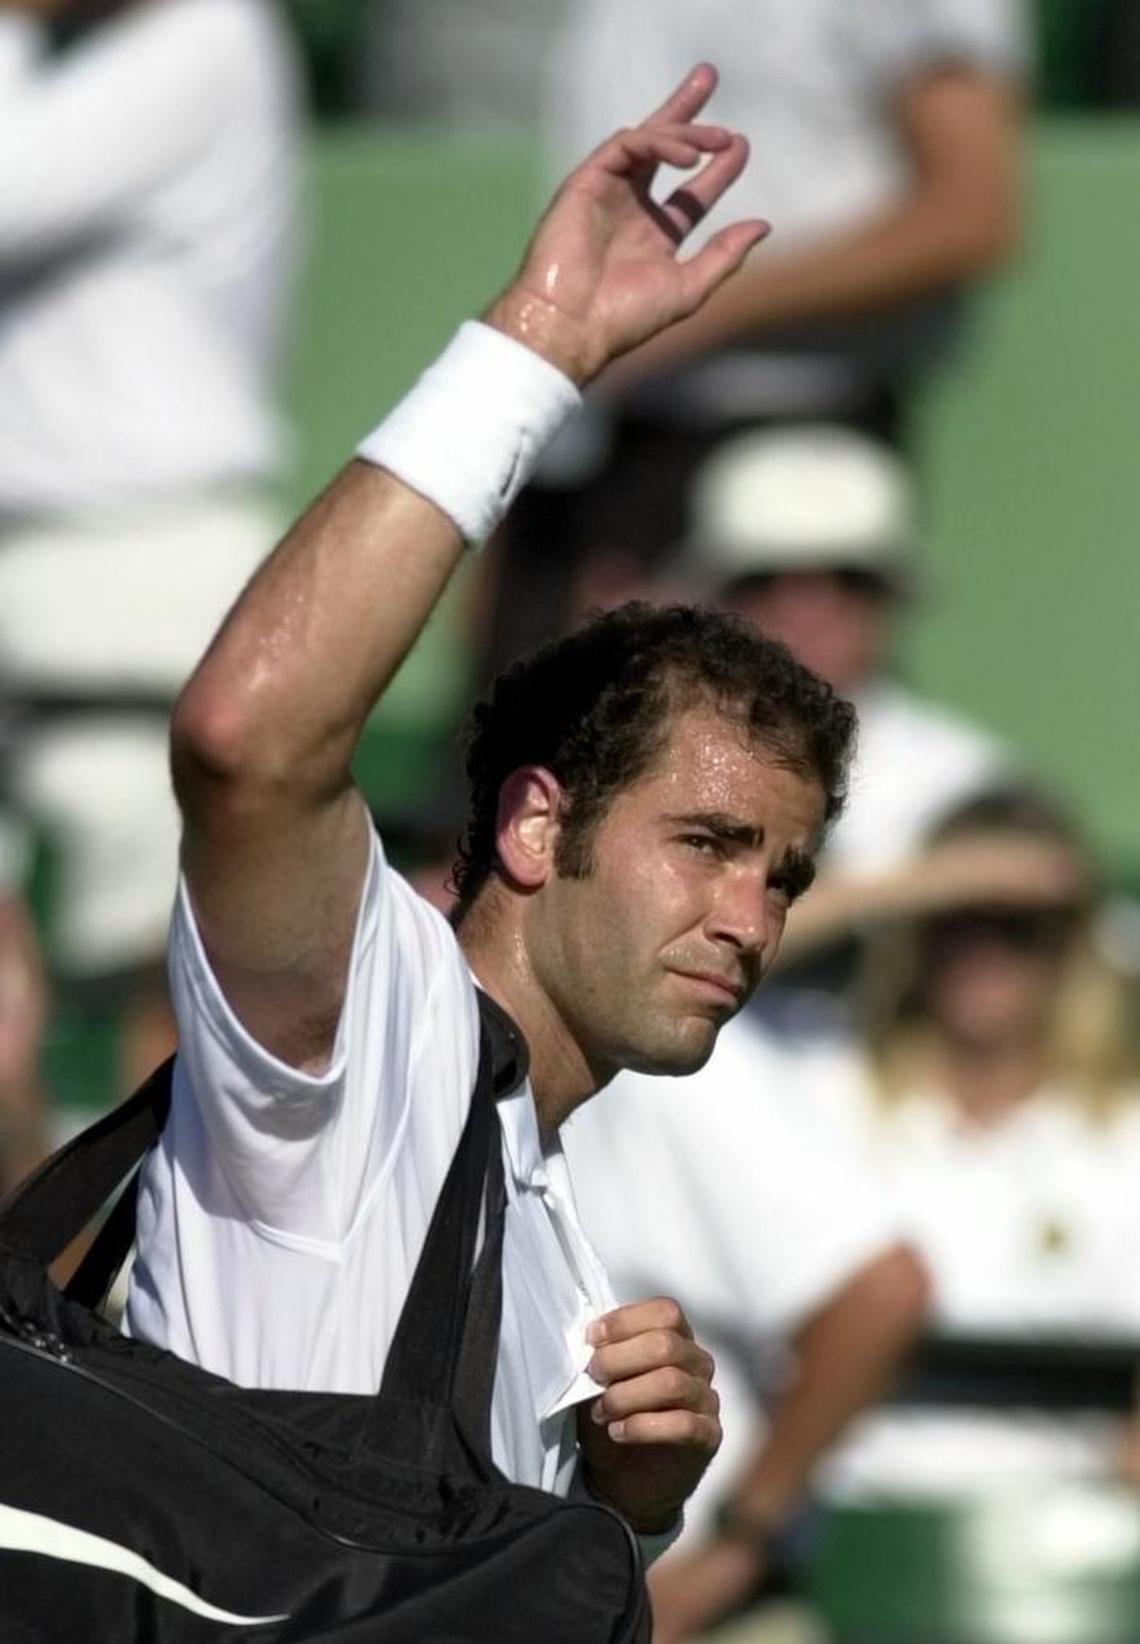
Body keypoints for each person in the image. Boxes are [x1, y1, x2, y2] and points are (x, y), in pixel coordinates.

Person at [123, 67, 858, 1546]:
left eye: (783, 875)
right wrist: (538, 353)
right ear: (533, 831)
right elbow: (245, 737)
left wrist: (615, 1514)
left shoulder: (556, 1227)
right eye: (707, 844)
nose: (752, 916)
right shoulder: (371, 1028)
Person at [483, 0, 1027, 672]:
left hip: (785, 432)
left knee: (751, 747)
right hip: (593, 434)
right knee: (522, 751)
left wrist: (692, 308)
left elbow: (971, 213)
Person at [0, 0, 302, 1085]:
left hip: (144, 567)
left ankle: (157, 1260)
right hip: (50, 580)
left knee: (171, 1005)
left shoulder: (212, 33)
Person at [819, 784, 1140, 1501]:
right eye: (955, 919)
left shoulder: (1124, 1134)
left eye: (1020, 926)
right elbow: (682, 968)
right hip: (839, 1521)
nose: (982, 952)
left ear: (1072, 945)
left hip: (1069, 1534)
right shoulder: (827, 1091)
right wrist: (923, 881)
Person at [563, 1011, 929, 1639]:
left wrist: (733, 1549)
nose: (749, 927)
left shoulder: (672, 1062)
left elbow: (881, 1291)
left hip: (668, 1596)